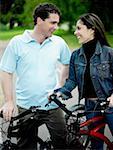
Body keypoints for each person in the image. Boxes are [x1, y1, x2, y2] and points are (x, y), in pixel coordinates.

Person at [0, 3, 71, 150]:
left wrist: (61, 87)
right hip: (26, 107)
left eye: (57, 23)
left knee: (63, 143)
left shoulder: (58, 43)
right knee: (26, 145)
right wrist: (8, 101)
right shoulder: (17, 43)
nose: (56, 27)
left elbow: (67, 64)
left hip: (53, 106)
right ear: (39, 20)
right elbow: (6, 71)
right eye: (53, 22)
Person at [53, 13, 113, 150]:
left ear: (92, 29)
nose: (75, 32)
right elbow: (72, 80)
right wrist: (60, 92)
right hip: (90, 106)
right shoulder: (75, 55)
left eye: (79, 28)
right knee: (95, 144)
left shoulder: (109, 54)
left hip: (110, 106)